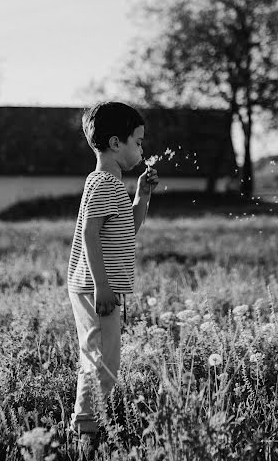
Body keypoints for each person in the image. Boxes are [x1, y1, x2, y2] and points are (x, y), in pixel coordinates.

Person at [67, 101, 159, 452]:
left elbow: (126, 230)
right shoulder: (106, 182)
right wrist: (103, 287)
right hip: (96, 288)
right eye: (138, 142)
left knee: (100, 355)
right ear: (116, 143)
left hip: (95, 285)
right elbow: (90, 234)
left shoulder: (114, 184)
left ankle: (87, 424)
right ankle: (87, 432)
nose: (142, 149)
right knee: (103, 360)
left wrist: (142, 195)